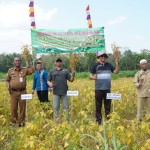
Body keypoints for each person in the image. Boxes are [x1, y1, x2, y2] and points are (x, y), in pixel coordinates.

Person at [90, 52, 119, 125]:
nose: (103, 57)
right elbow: (90, 75)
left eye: (105, 56)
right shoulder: (95, 65)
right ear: (99, 57)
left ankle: (108, 120)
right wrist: (94, 77)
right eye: (102, 56)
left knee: (108, 105)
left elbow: (116, 72)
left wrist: (117, 64)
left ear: (106, 58)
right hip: (98, 89)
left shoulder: (109, 65)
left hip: (107, 88)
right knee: (98, 105)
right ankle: (99, 122)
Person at [6, 56, 34, 127]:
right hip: (13, 93)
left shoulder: (24, 70)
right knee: (13, 108)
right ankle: (15, 122)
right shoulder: (10, 71)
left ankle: (21, 122)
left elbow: (32, 70)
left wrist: (29, 61)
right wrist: (8, 86)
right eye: (16, 61)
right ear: (13, 62)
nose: (17, 62)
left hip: (22, 92)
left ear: (21, 62)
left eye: (19, 61)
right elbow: (7, 80)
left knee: (22, 108)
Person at [47, 57, 75, 122]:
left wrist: (73, 74)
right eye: (57, 61)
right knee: (56, 108)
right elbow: (48, 80)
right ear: (55, 63)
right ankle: (56, 122)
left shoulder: (65, 71)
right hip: (55, 92)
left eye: (60, 61)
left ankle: (66, 122)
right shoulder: (52, 71)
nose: (58, 62)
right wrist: (50, 84)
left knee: (66, 108)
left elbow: (71, 80)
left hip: (64, 92)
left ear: (61, 62)